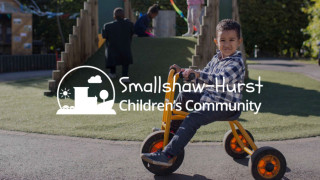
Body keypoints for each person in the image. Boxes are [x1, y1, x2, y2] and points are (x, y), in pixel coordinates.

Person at [141, 19, 245, 166]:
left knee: (192, 118)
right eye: (223, 40)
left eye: (231, 40)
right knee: (185, 95)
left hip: (226, 106)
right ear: (216, 41)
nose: (227, 44)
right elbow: (203, 77)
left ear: (239, 41)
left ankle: (168, 155)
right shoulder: (217, 58)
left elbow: (219, 80)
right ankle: (173, 132)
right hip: (210, 98)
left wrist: (197, 75)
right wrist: (184, 72)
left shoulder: (236, 62)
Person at [102, 8, 134, 83]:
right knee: (125, 54)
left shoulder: (107, 26)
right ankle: (125, 76)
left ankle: (112, 72)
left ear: (114, 16)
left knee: (109, 49)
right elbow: (131, 33)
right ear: (124, 16)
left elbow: (104, 36)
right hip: (125, 50)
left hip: (112, 50)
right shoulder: (130, 24)